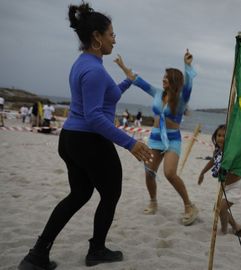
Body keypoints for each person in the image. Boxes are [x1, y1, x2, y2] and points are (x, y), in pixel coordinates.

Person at [18, 3, 153, 270]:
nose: (115, 39)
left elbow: (105, 98)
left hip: (71, 139)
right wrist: (130, 143)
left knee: (79, 194)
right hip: (89, 140)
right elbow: (94, 116)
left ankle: (37, 255)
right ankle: (97, 251)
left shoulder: (85, 64)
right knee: (111, 192)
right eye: (111, 34)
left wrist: (128, 80)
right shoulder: (93, 70)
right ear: (96, 37)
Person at [114, 50, 199, 225]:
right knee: (149, 173)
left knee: (169, 173)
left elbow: (189, 85)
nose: (163, 79)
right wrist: (123, 67)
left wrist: (187, 65)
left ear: (174, 81)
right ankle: (153, 202)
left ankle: (189, 205)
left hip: (172, 139)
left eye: (167, 77)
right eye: (163, 77)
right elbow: (138, 82)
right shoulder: (157, 93)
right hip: (154, 138)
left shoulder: (182, 99)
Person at [198, 124, 241, 236]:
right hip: (223, 187)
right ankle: (234, 227)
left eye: (224, 136)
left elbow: (239, 168)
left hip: (235, 187)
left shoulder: (232, 153)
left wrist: (230, 170)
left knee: (221, 208)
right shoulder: (217, 152)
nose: (221, 138)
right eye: (219, 135)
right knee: (218, 209)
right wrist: (202, 172)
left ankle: (225, 230)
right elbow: (212, 161)